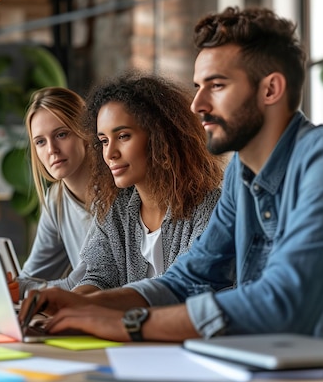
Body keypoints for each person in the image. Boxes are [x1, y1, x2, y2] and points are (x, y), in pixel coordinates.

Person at [19, 7, 323, 355]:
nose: (198, 105)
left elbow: (282, 301)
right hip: (285, 362)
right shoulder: (241, 179)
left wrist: (127, 323)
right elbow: (185, 279)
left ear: (271, 89)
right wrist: (83, 305)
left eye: (217, 86)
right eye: (198, 87)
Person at [37, 73, 225, 295]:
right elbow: (98, 276)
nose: (110, 153)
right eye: (104, 141)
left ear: (159, 136)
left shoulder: (209, 207)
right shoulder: (117, 208)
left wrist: (84, 306)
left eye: (123, 136)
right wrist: (70, 304)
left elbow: (185, 288)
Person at [0, 87, 94, 299]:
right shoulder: (56, 199)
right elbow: (31, 276)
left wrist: (8, 289)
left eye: (61, 134)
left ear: (86, 134)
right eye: (40, 142)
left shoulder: (112, 196)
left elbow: (82, 286)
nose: (51, 149)